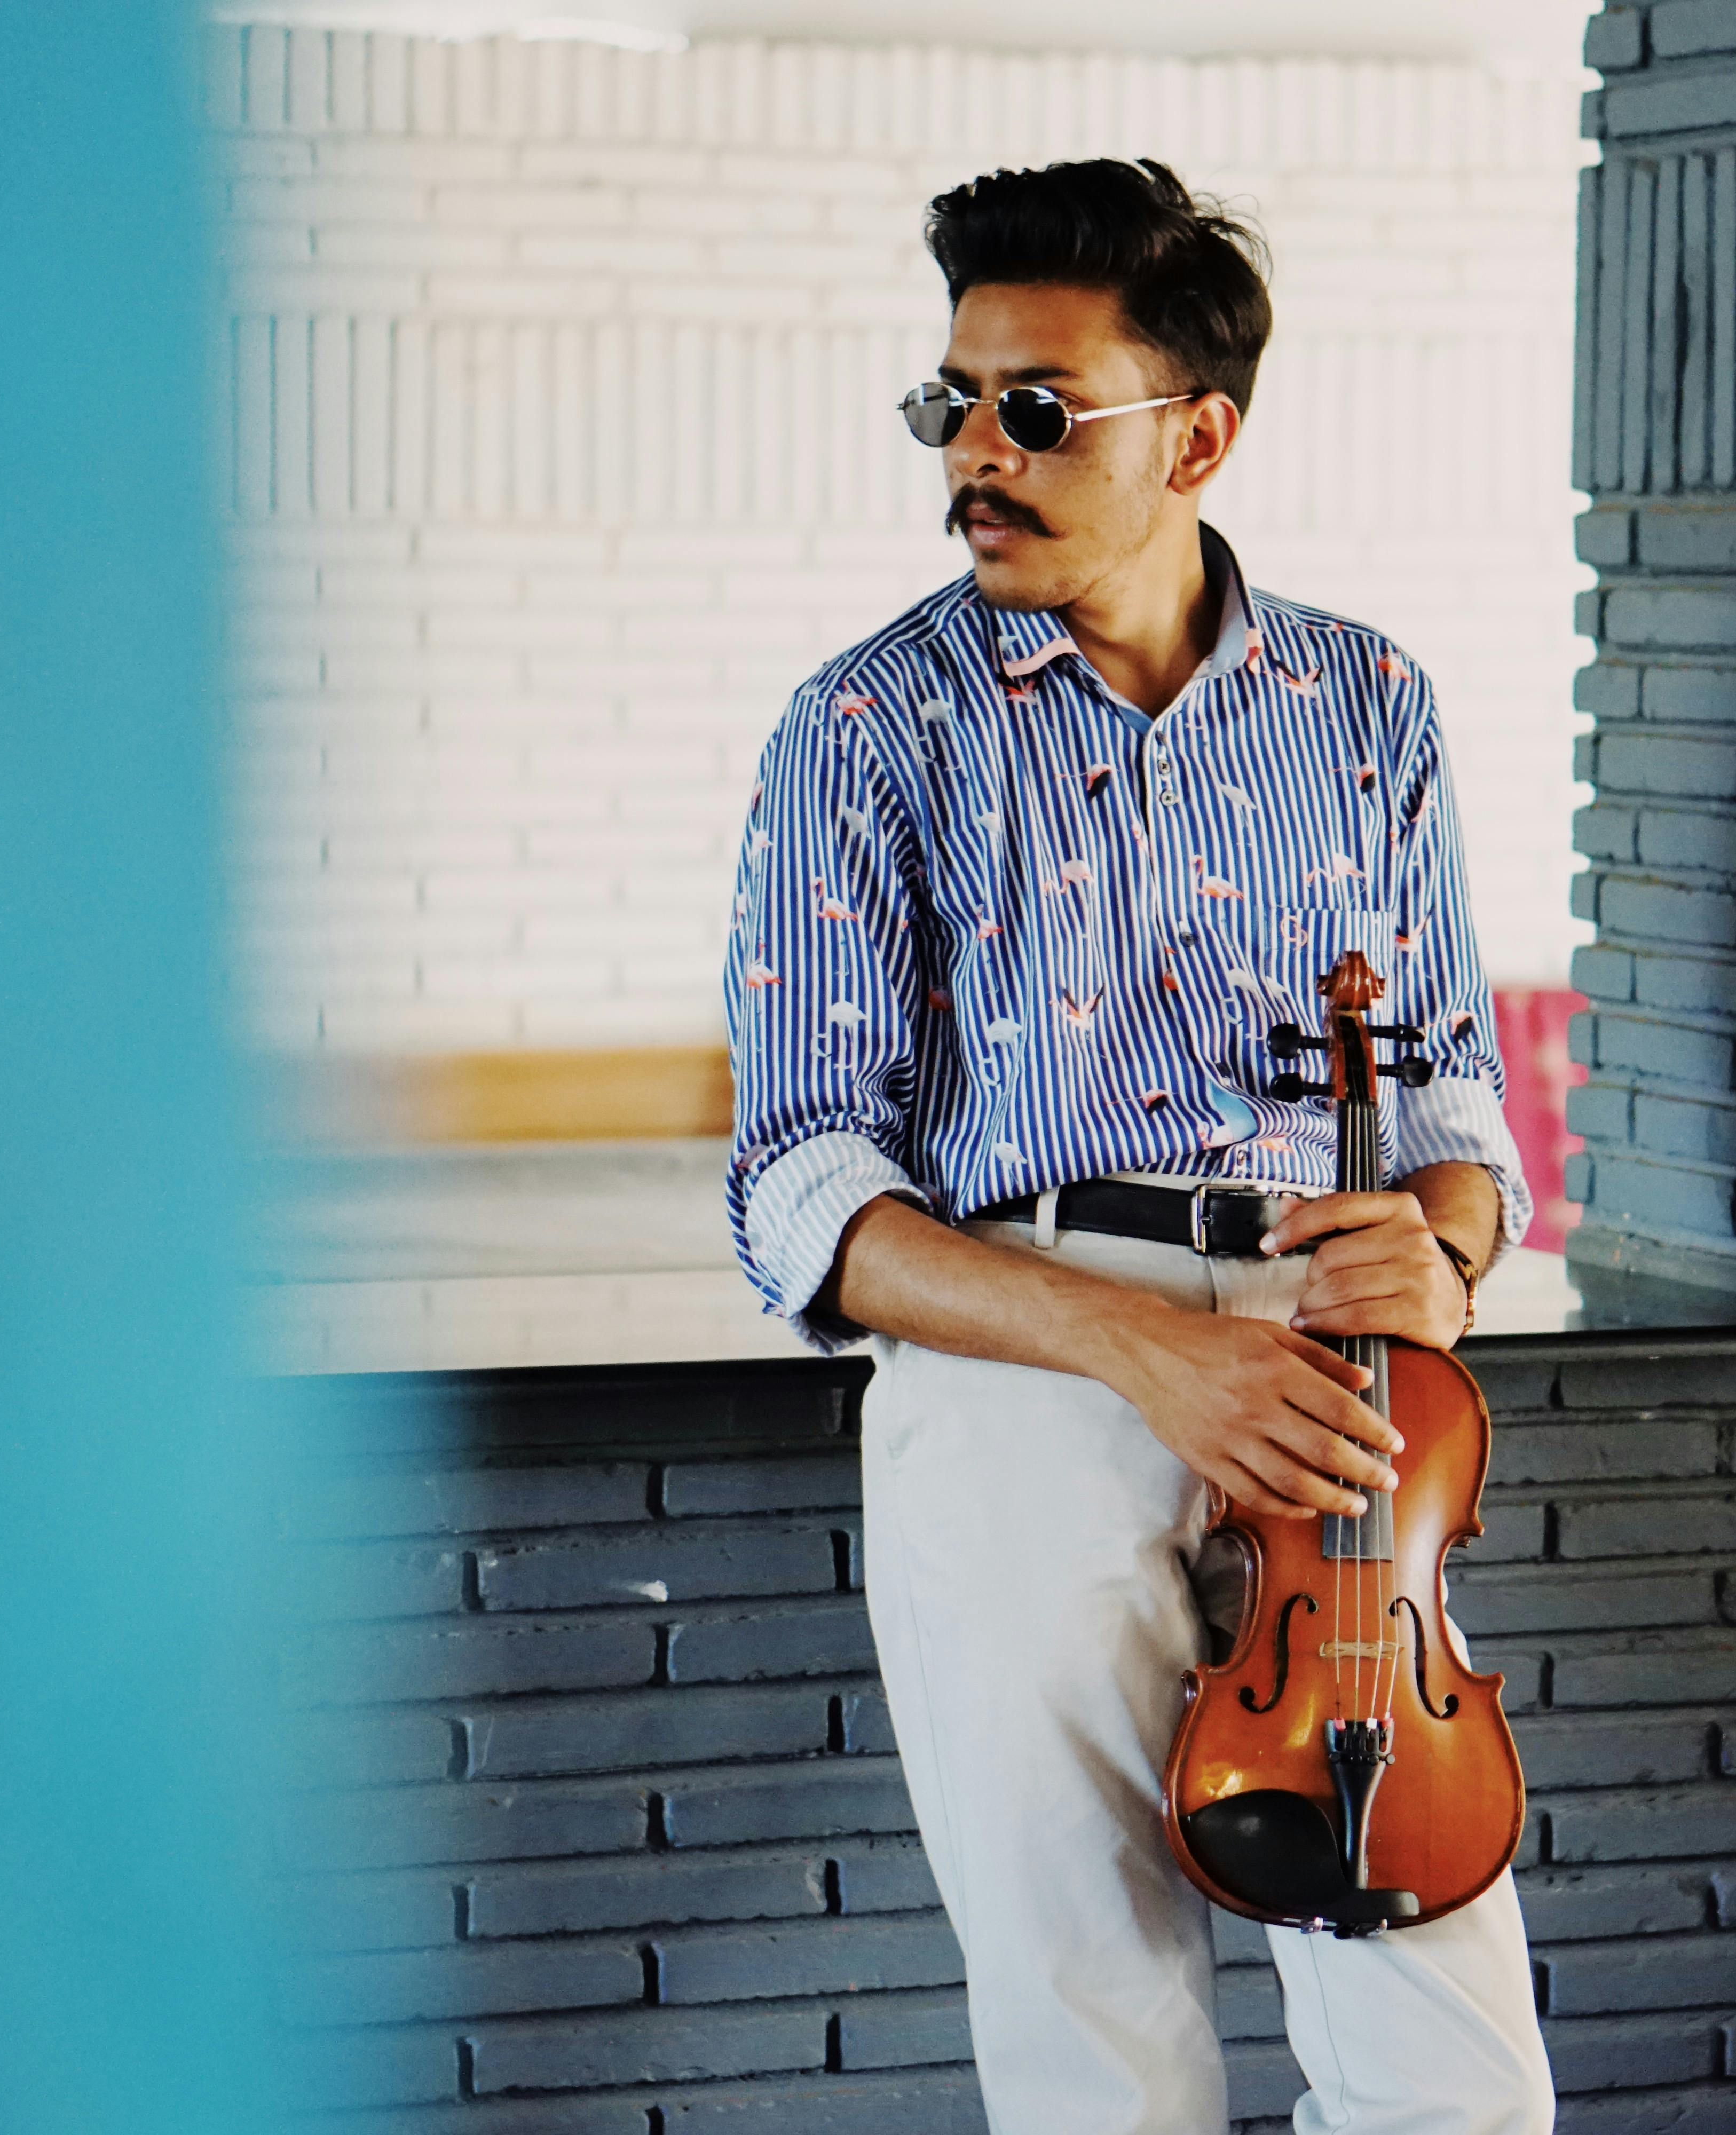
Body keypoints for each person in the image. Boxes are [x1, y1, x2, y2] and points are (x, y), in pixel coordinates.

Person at [722, 157, 1554, 2135]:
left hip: (1337, 1387)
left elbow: (1445, 1090)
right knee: (1098, 2044)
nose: (971, 458)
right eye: (951, 405)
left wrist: (1445, 1248)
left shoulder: (1370, 703)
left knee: (1455, 2065)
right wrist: (1142, 1347)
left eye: (1035, 413)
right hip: (1031, 1368)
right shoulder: (865, 729)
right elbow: (802, 1194)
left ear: (1199, 436)